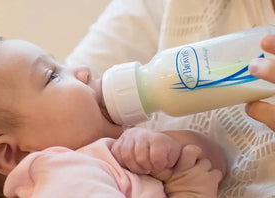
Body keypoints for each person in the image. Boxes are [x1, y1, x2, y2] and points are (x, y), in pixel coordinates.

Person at [0, 31, 226, 198]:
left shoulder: (112, 153)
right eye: (52, 76)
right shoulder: (59, 174)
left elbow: (216, 163)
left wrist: (170, 149)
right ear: (14, 155)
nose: (83, 71)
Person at [64, 0, 275, 197]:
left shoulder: (127, 149)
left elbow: (211, 160)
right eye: (51, 75)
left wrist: (182, 176)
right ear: (29, 145)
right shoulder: (37, 172)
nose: (82, 72)